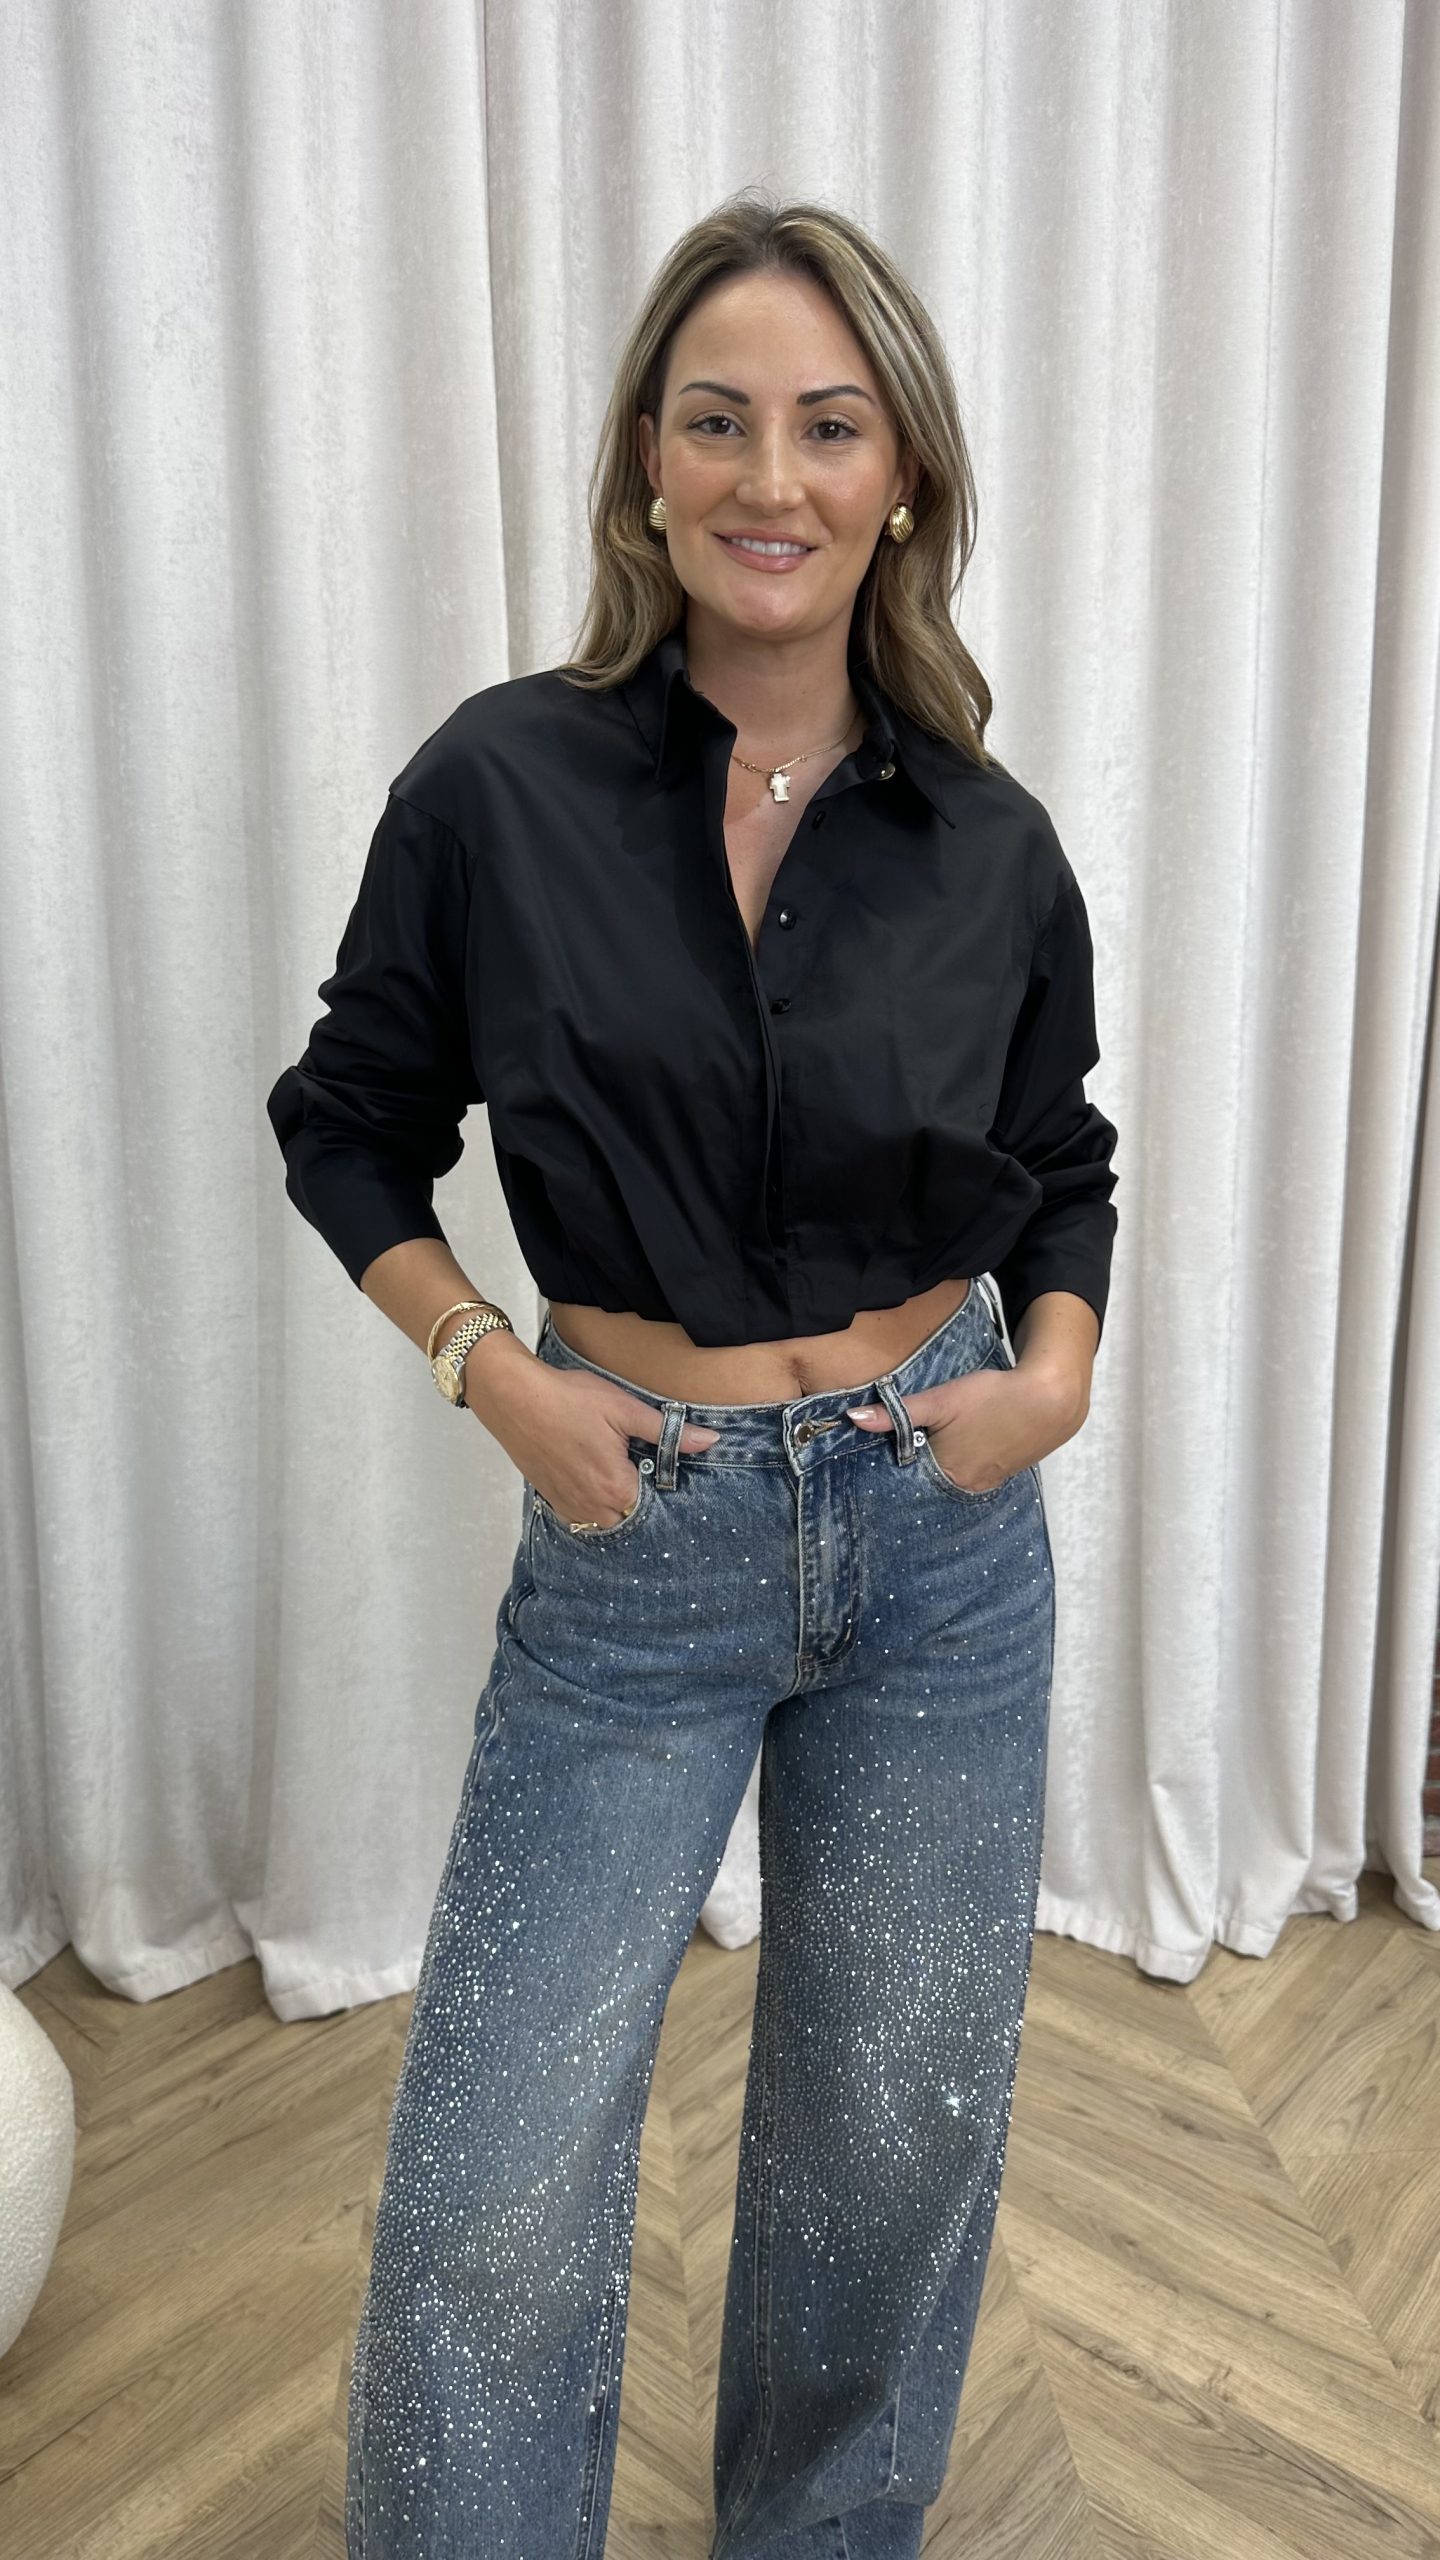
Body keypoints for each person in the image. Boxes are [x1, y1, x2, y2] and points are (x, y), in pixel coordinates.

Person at [267, 189, 1117, 2560]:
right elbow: (346, 1122)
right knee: (498, 2175)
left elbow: (1062, 1161)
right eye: (719, 418)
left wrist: (1049, 1381)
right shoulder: (498, 788)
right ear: (647, 458)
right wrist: (487, 1365)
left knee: (889, 2144)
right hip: (638, 1532)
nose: (772, 476)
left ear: (902, 477)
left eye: (830, 426)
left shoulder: (989, 841)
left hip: (942, 1535)